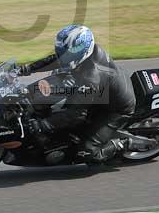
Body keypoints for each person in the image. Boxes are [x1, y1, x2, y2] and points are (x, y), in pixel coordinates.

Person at [17, 24, 137, 164]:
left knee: (87, 152)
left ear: (81, 50)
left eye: (68, 53)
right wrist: (25, 69)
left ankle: (123, 143)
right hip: (103, 92)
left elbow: (76, 114)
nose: (63, 56)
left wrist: (43, 125)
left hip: (115, 109)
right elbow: (55, 59)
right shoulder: (83, 56)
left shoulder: (91, 77)